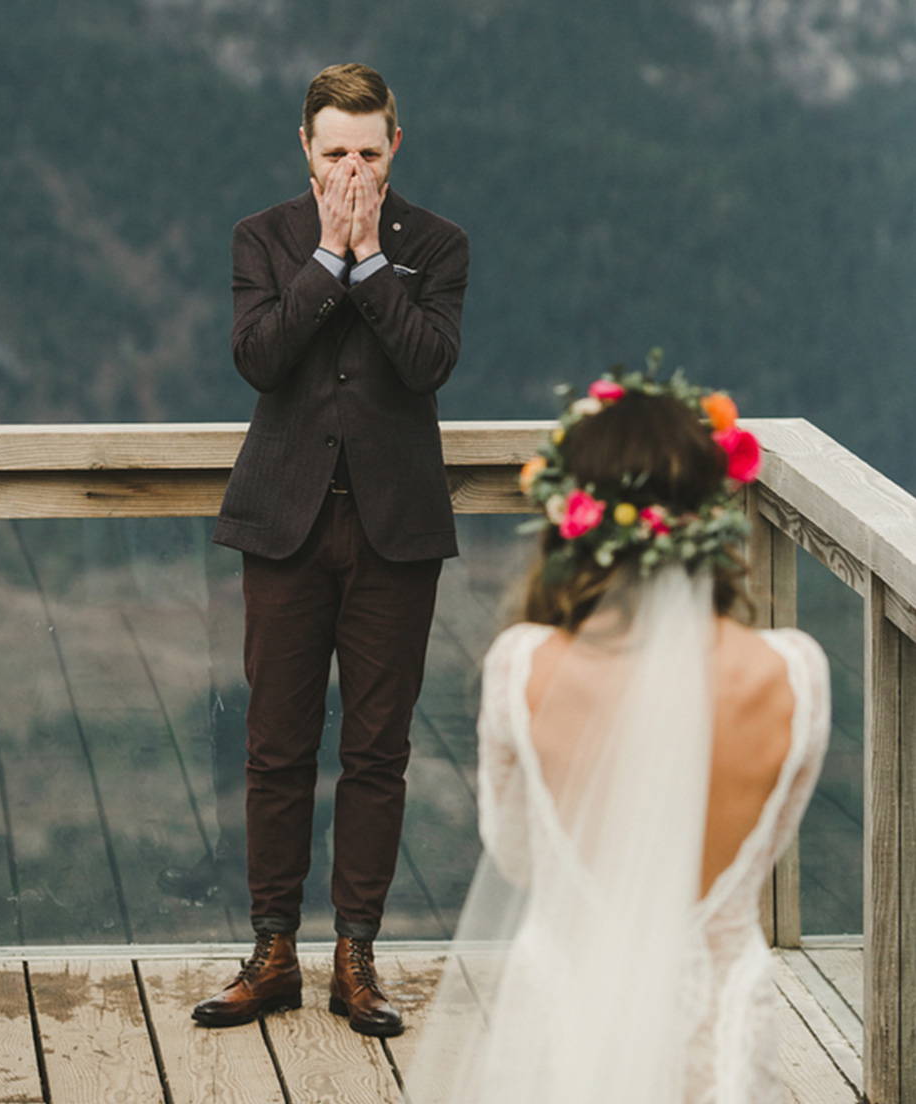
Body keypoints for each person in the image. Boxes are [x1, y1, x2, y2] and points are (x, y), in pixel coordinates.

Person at [406, 356, 830, 1103]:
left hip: (566, 1015)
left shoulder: (522, 666)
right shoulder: (794, 674)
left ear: (572, 516)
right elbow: (766, 845)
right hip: (718, 1031)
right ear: (708, 514)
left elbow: (513, 855)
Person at [191, 63, 469, 1036]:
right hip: (283, 523)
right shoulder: (261, 238)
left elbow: (427, 360)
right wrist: (326, 260)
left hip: (395, 529)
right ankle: (272, 951)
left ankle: (356, 954)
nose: (352, 168)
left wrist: (369, 265)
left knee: (376, 751)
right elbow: (257, 357)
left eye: (368, 150)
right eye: (334, 151)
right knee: (274, 747)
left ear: (395, 147)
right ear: (304, 152)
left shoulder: (436, 245)